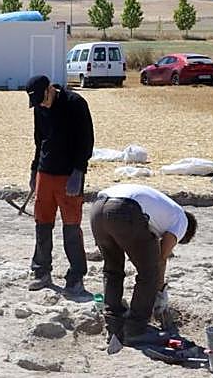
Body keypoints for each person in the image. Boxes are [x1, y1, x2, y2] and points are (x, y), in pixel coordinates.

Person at [90, 183, 197, 346]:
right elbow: (160, 261)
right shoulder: (181, 221)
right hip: (124, 210)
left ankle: (114, 325)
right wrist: (160, 294)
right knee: (149, 273)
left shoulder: (163, 211)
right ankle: (136, 329)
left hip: (97, 209)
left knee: (113, 270)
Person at [26, 75, 94, 294]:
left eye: (42, 99)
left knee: (71, 227)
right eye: (36, 102)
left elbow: (86, 140)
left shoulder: (75, 104)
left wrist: (78, 171)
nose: (41, 105)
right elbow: (40, 140)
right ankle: (41, 271)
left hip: (69, 175)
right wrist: (35, 169)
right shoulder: (40, 107)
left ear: (50, 89)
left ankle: (76, 276)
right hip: (45, 173)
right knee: (42, 224)